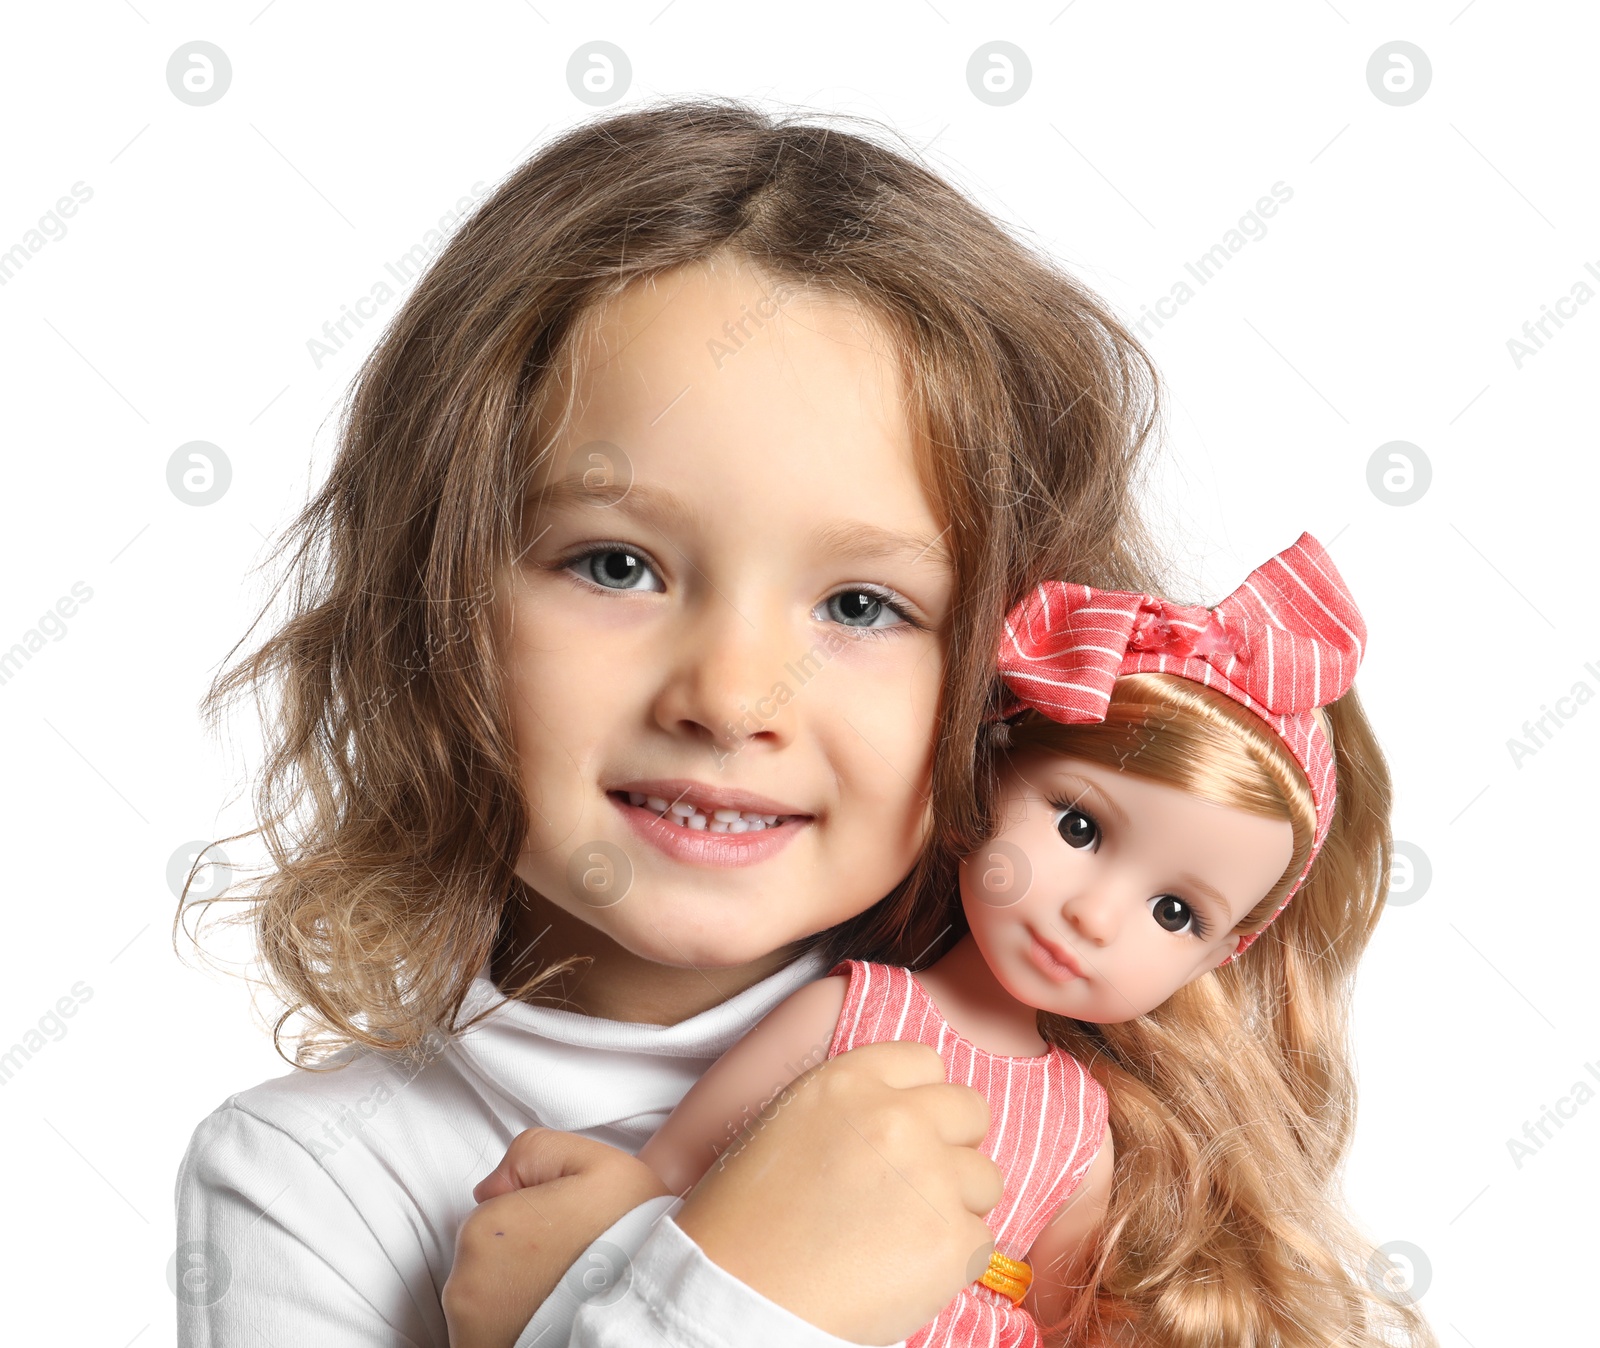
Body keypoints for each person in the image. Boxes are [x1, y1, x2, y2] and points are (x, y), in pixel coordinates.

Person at [172, 95, 1169, 1348]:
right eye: (615, 566)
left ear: (1003, 689)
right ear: (433, 605)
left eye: (861, 602)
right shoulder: (311, 1182)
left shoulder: (1097, 1142)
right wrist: (728, 1297)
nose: (732, 696)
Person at [469, 534, 1438, 1348]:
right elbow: (677, 1173)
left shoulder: (1080, 1121)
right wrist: (592, 1241)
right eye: (1079, 829)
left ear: (1219, 956)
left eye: (1175, 913)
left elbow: (1066, 1316)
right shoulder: (855, 1010)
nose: (1093, 916)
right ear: (989, 773)